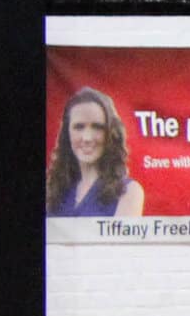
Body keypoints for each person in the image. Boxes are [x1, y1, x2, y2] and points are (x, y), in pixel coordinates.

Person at [44, 88, 147, 219]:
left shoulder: (128, 192)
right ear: (67, 133)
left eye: (97, 127)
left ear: (111, 133)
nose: (87, 138)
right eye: (79, 127)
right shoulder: (52, 189)